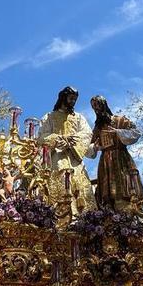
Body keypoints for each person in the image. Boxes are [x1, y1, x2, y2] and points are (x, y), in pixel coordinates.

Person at [37, 86, 97, 222]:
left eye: (75, 99)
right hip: (57, 158)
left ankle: (85, 221)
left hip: (75, 159)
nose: (73, 102)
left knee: (80, 187)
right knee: (58, 186)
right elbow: (41, 136)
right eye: (70, 98)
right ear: (63, 98)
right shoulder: (49, 117)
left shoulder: (79, 118)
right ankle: (59, 219)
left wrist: (71, 141)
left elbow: (87, 134)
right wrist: (58, 139)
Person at [85, 95, 143, 212]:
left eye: (97, 105)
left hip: (121, 158)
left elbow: (136, 132)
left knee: (126, 186)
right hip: (105, 162)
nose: (96, 108)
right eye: (93, 107)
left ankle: (131, 211)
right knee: (107, 193)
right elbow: (87, 146)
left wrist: (118, 132)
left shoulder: (120, 120)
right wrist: (95, 147)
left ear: (104, 104)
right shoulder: (97, 128)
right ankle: (110, 213)